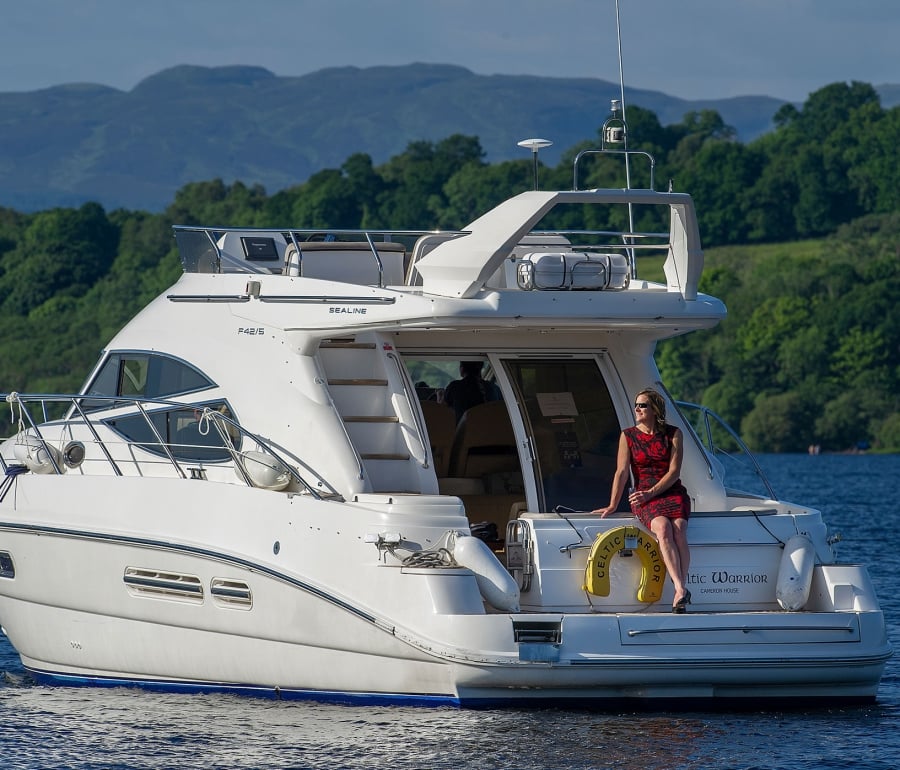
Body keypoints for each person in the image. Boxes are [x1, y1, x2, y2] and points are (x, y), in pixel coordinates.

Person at [592, 388, 692, 613]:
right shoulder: (628, 436)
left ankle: (680, 590)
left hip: (672, 492)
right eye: (636, 405)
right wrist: (613, 504)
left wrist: (653, 491)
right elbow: (621, 472)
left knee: (679, 528)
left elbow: (674, 472)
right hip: (644, 496)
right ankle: (680, 588)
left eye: (643, 405)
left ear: (655, 410)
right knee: (664, 529)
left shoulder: (674, 434)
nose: (637, 409)